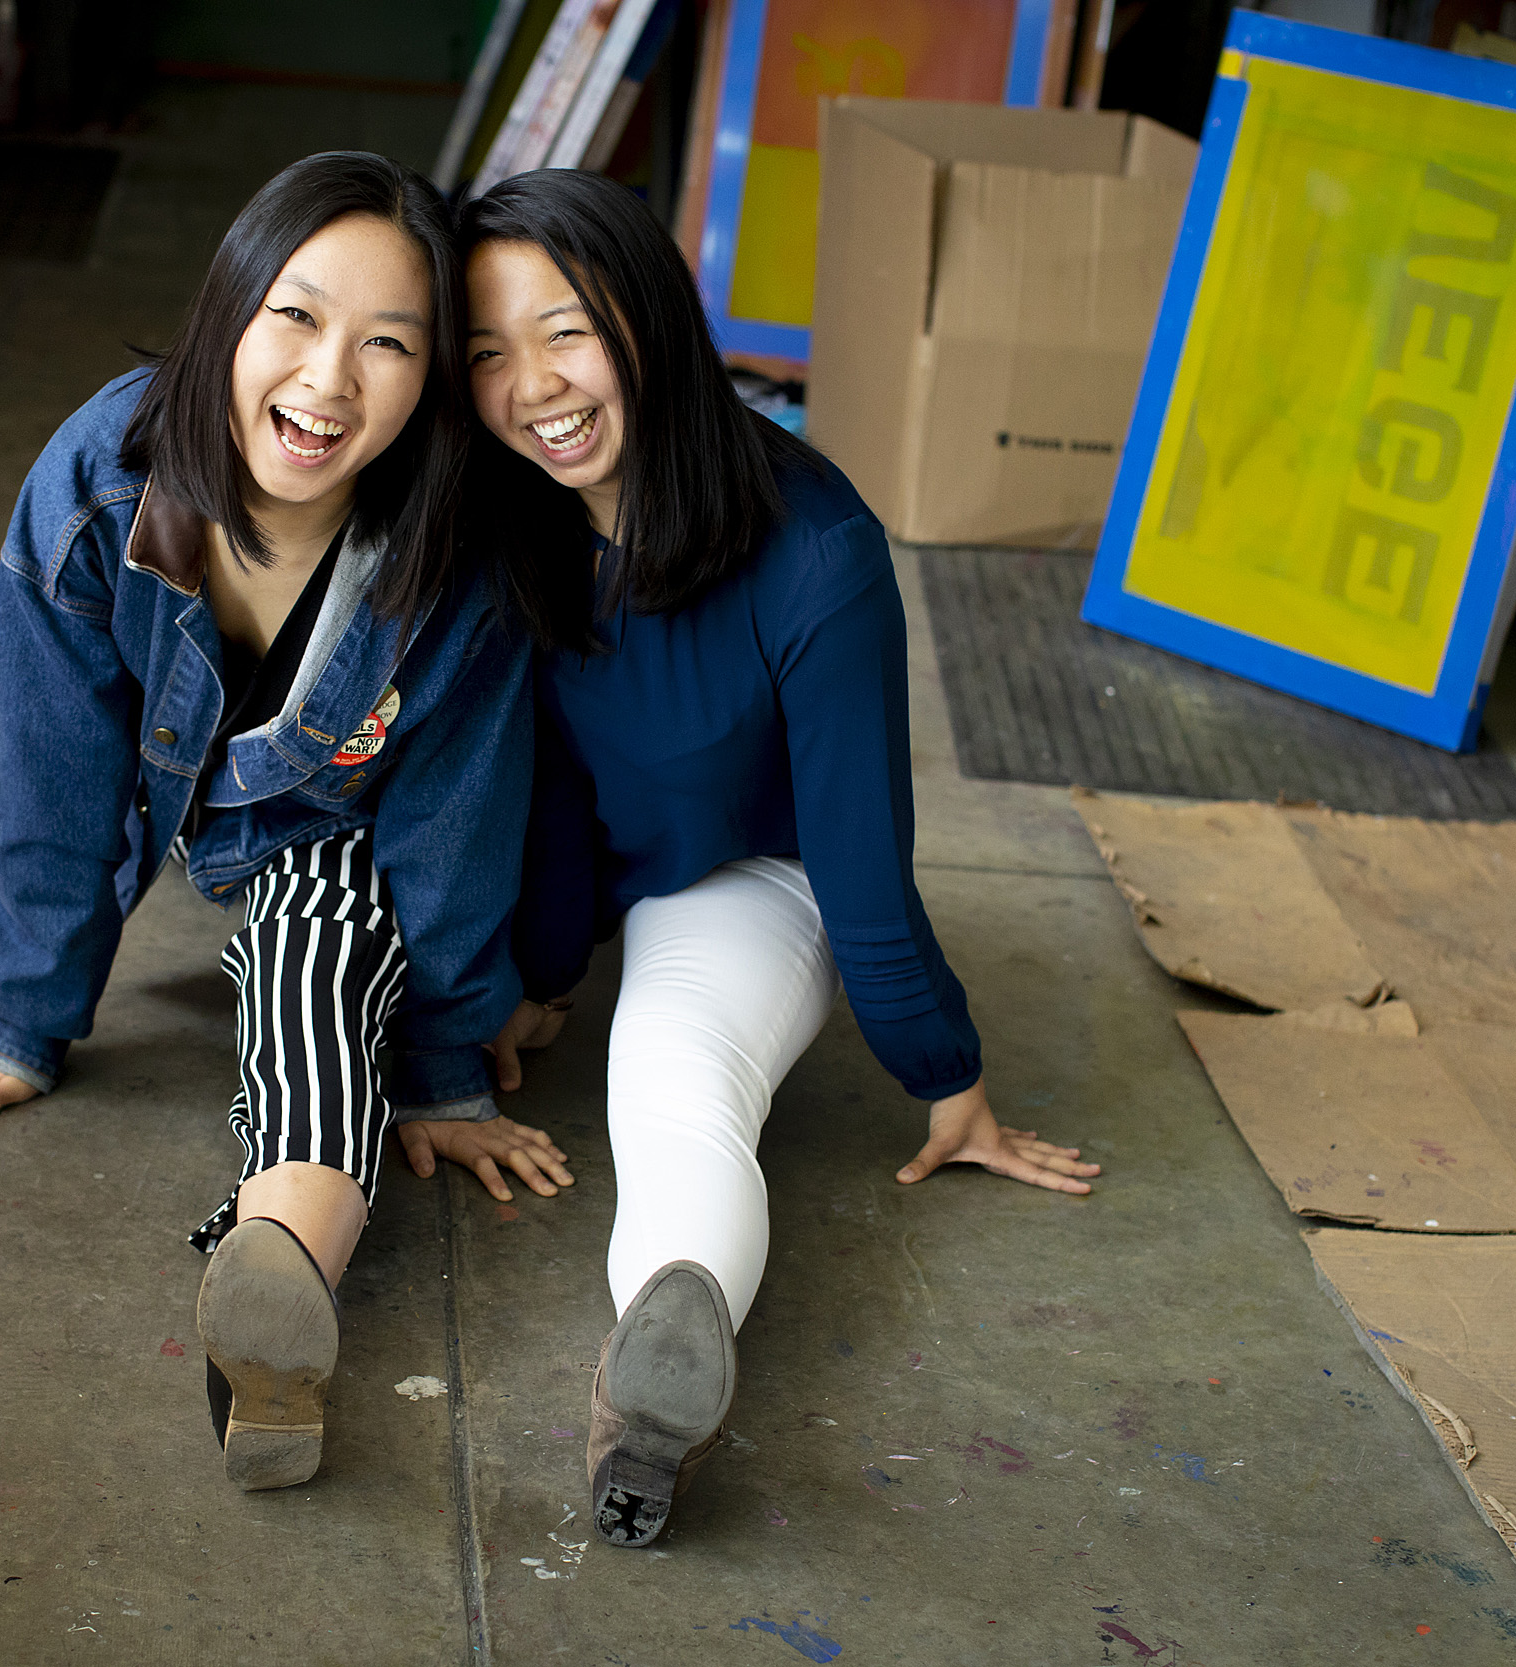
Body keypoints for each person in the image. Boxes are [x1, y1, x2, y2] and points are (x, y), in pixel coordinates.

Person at [0, 152, 573, 1493]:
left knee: (321, 966)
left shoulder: (450, 561)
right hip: (179, 806)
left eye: (388, 345)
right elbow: (50, 768)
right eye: (294, 317)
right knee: (259, 919)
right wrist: (21, 1020)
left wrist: (446, 1060)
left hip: (333, 836)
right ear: (228, 313)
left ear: (427, 387)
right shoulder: (98, 483)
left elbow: (456, 823)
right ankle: (275, 1298)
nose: (327, 381)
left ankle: (277, 1300)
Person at [459, 169, 1102, 1548]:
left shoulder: (819, 554)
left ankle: (654, 1384)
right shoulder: (520, 512)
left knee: (671, 1083)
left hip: (753, 875)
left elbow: (865, 862)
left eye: (566, 330)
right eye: (488, 350)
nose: (534, 386)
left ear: (652, 319)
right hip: (605, 860)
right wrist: (542, 975)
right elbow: (559, 779)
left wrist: (949, 1078)